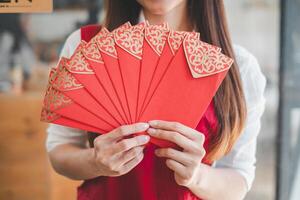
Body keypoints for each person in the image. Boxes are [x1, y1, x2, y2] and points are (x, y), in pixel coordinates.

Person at [46, 0, 266, 199]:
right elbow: (60, 151)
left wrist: (197, 176)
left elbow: (238, 180)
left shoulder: (241, 68)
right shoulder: (84, 46)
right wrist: (95, 162)